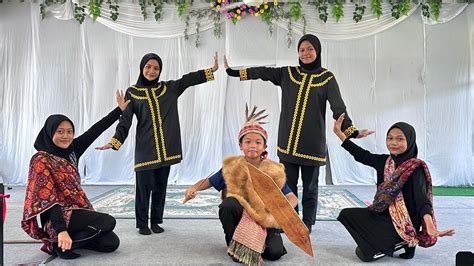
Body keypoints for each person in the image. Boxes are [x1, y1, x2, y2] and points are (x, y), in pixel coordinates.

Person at [224, 34, 373, 232]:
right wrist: (233, 72)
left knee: (310, 187)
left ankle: (308, 223)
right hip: (288, 144)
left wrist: (351, 132)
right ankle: (287, 219)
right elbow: (261, 72)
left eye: (310, 49)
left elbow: (338, 108)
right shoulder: (288, 74)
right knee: (287, 185)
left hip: (312, 145)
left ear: (317, 51)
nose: (306, 53)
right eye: (302, 50)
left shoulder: (326, 78)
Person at [97, 52, 218, 235]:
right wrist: (115, 141)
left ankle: (155, 221)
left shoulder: (168, 88)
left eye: (156, 68)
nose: (152, 71)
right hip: (146, 150)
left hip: (166, 149)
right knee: (144, 189)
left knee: (160, 187)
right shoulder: (133, 92)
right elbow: (126, 120)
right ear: (142, 68)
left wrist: (212, 70)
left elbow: (188, 80)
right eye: (148, 67)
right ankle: (142, 224)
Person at [21, 90, 129, 259]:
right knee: (108, 221)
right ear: (50, 133)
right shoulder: (42, 160)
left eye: (69, 131)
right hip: (56, 217)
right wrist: (61, 230)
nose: (66, 136)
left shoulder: (73, 149)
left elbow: (95, 130)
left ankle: (64, 245)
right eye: (60, 131)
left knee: (111, 243)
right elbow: (49, 199)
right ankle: (58, 239)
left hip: (76, 210)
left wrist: (119, 111)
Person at [184, 106, 299, 265]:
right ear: (240, 145)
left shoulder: (272, 170)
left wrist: (279, 210)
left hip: (264, 218)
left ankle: (257, 242)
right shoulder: (232, 167)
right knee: (229, 204)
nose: (253, 145)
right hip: (240, 216)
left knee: (274, 253)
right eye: (248, 141)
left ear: (264, 147)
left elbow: (292, 197)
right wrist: (193, 188)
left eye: (258, 142)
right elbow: (208, 181)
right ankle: (235, 242)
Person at [333, 114, 455, 262]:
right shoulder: (385, 162)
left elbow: (422, 199)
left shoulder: (415, 168)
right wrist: (340, 134)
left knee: (365, 255)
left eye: (400, 139)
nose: (393, 143)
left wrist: (429, 225)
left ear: (410, 141)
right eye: (390, 138)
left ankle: (406, 240)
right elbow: (361, 155)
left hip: (406, 223)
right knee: (346, 215)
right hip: (382, 216)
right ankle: (398, 244)